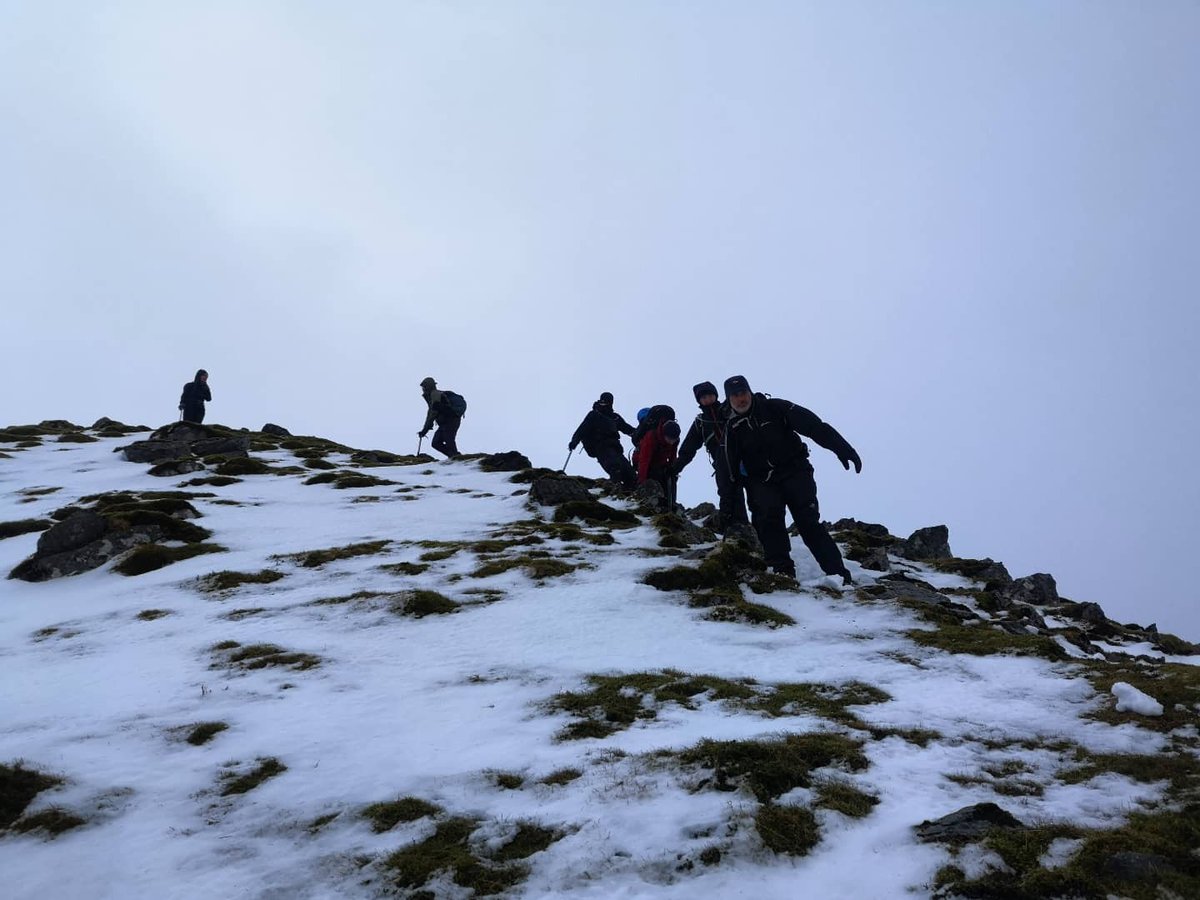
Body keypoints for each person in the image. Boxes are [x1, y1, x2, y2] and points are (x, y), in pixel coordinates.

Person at [722, 374, 861, 584]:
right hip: (762, 481)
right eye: (735, 396)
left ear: (749, 392)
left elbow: (814, 426)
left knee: (808, 522)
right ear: (729, 399)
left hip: (795, 472)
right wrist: (728, 507)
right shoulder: (731, 428)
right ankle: (782, 574)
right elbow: (728, 471)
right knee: (768, 522)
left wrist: (842, 448)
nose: (741, 399)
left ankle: (839, 575)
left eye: (743, 393)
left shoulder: (775, 408)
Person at [673, 381, 749, 532]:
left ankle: (755, 532)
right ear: (699, 401)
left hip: (746, 460)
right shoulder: (700, 422)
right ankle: (736, 531)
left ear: (716, 395)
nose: (707, 399)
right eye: (703, 397)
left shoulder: (730, 410)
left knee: (758, 497)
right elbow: (689, 447)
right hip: (722, 465)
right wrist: (676, 466)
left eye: (710, 395)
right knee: (728, 498)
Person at [569, 392, 637, 489]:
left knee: (630, 473)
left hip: (615, 448)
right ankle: (615, 489)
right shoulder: (594, 414)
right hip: (601, 446)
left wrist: (639, 433)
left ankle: (629, 490)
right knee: (614, 466)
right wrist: (574, 441)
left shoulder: (615, 417)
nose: (607, 403)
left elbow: (627, 428)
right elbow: (582, 429)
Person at [634, 415, 682, 509]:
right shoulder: (651, 437)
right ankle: (658, 504)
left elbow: (673, 457)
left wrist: (673, 471)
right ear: (664, 434)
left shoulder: (674, 440)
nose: (671, 442)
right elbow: (644, 460)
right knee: (656, 476)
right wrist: (641, 481)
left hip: (660, 463)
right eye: (669, 439)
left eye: (674, 440)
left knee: (669, 476)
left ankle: (671, 504)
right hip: (642, 462)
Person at [417, 376, 462, 458]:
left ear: (428, 387)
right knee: (436, 443)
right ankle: (454, 456)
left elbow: (433, 413)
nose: (423, 389)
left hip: (451, 420)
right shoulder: (431, 397)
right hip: (445, 422)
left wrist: (424, 430)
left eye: (424, 387)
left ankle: (456, 458)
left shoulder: (435, 394)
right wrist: (424, 430)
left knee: (449, 440)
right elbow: (430, 414)